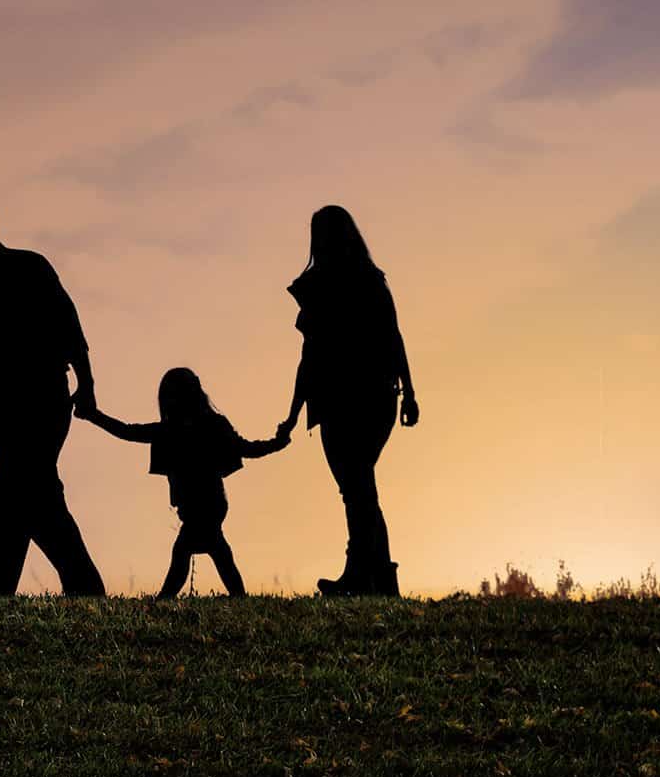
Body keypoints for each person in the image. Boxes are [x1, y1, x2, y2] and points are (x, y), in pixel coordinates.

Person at [0, 188, 107, 597]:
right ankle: (77, 592)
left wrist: (86, 386)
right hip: (4, 409)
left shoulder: (31, 267)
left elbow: (70, 329)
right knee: (27, 497)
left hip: (46, 397)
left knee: (19, 491)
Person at [276, 205, 419, 597]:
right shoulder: (358, 282)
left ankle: (360, 576)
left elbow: (315, 357)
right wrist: (410, 393)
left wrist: (410, 392)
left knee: (357, 487)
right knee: (360, 488)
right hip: (367, 397)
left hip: (353, 398)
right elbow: (390, 339)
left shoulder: (335, 285)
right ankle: (381, 580)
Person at [78, 368, 288, 598]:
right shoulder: (196, 426)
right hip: (208, 504)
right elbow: (246, 448)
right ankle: (236, 598)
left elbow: (127, 431)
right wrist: (275, 444)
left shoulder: (185, 428)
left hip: (205, 504)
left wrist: (94, 416)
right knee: (215, 550)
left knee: (186, 553)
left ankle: (166, 601)